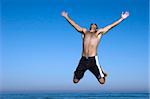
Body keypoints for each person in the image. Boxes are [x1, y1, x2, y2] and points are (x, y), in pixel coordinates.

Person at [61, 11, 129, 84]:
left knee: (102, 81)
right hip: (83, 59)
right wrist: (66, 17)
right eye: (92, 24)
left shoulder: (98, 33)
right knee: (75, 81)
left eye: (95, 24)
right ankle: (78, 73)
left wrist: (121, 18)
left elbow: (110, 26)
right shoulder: (84, 32)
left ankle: (101, 72)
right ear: (90, 26)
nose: (93, 24)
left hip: (93, 60)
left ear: (96, 27)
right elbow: (75, 25)